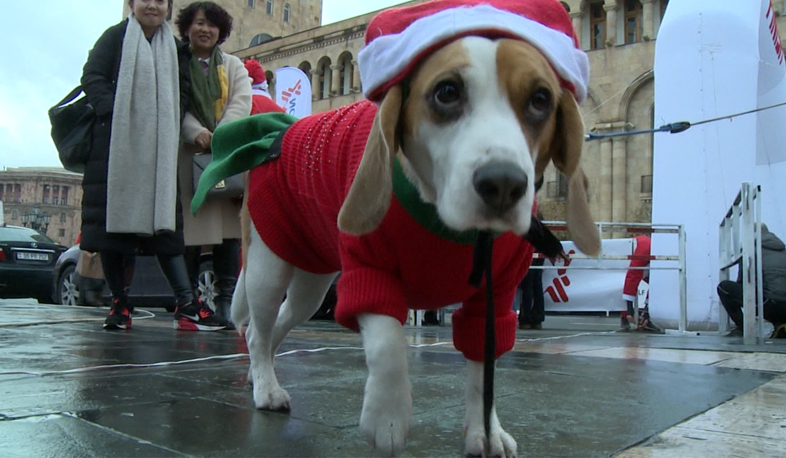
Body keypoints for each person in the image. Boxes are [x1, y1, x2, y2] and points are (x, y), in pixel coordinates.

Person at [81, 0, 223, 331]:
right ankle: (120, 304)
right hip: (115, 148)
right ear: (132, 4)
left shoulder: (175, 48)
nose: (152, 5)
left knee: (166, 230)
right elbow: (93, 76)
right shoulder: (115, 38)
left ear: (168, 8)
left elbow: (183, 92)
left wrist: (165, 119)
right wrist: (115, 111)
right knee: (114, 231)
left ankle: (186, 302)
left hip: (159, 150)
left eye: (160, 0)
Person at [175, 2, 252, 329]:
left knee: (228, 231)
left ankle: (225, 301)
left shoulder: (233, 65)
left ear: (221, 31)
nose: (205, 30)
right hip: (189, 154)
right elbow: (175, 102)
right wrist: (197, 132)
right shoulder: (177, 63)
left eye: (211, 25)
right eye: (198, 23)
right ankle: (190, 300)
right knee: (192, 230)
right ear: (187, 28)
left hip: (226, 155)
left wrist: (222, 132)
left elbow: (241, 100)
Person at [717, 224, 786, 338]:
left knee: (724, 287)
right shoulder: (783, 250)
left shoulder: (749, 251)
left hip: (768, 304)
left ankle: (743, 328)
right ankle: (781, 325)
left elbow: (744, 283)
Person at [620, 234, 660, 332]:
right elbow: (632, 276)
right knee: (620, 283)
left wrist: (647, 311)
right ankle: (625, 316)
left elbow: (657, 286)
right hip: (636, 254)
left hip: (648, 260)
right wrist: (629, 309)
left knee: (657, 284)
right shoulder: (645, 248)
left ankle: (644, 317)